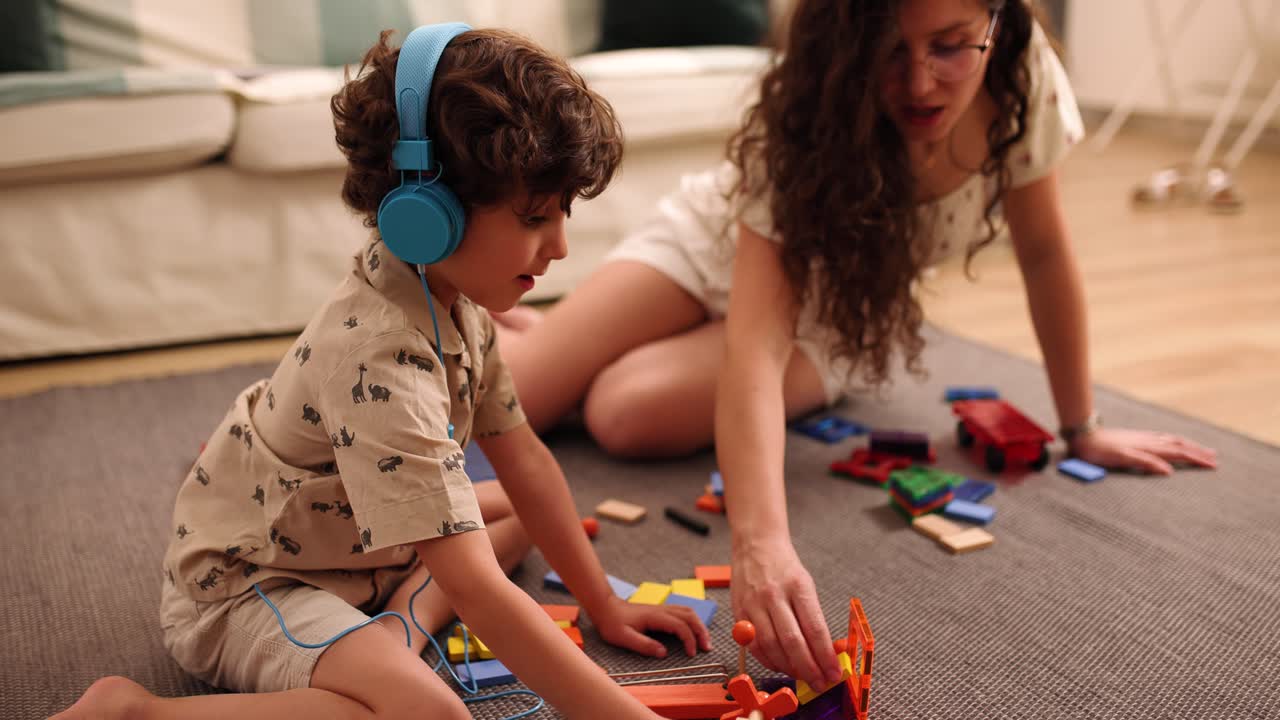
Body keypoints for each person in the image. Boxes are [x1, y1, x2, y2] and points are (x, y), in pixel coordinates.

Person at [496, 0, 1218, 694]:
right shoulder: (807, 101)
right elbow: (754, 344)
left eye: (949, 46)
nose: (921, 82)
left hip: (834, 314)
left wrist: (1082, 427)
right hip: (715, 242)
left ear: (996, 22)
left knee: (623, 413)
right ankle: (551, 338)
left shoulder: (1022, 76)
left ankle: (574, 341)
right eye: (890, 51)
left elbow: (1044, 253)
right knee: (517, 391)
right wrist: (758, 543)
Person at [55, 26, 708, 720]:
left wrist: (602, 603)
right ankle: (134, 712)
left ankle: (398, 629)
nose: (561, 246)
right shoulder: (379, 359)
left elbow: (528, 463)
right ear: (427, 214)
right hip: (257, 585)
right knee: (432, 714)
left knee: (524, 512)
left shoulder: (458, 303)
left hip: (362, 551)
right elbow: (480, 591)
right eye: (533, 217)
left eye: (562, 214)